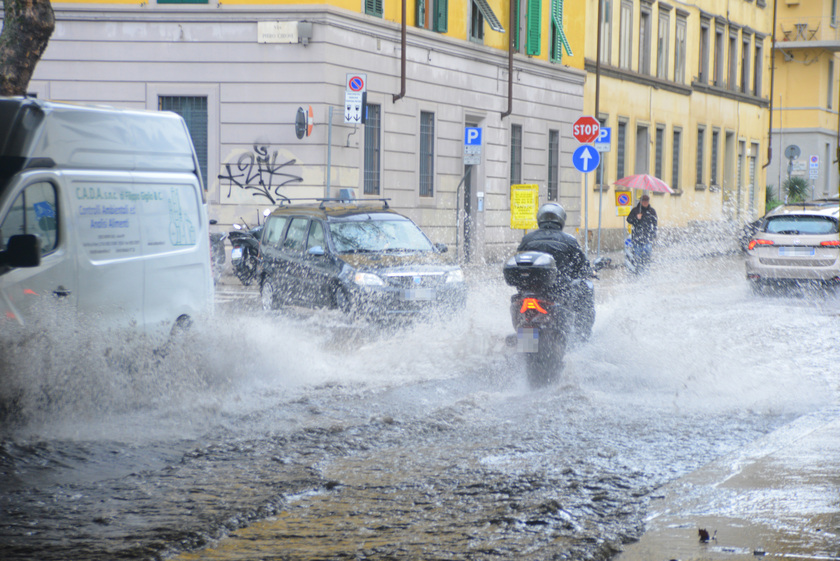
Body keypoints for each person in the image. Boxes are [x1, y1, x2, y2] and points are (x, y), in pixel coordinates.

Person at [517, 202, 595, 341]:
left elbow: (519, 260)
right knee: (586, 290)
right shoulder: (568, 240)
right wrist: (589, 271)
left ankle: (526, 346)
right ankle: (581, 336)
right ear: (560, 219)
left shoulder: (528, 239)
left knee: (525, 317)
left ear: (540, 218)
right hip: (559, 289)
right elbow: (582, 266)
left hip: (530, 289)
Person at [626, 194, 658, 272]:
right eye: (643, 201)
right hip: (637, 238)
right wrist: (636, 218)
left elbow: (655, 223)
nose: (645, 203)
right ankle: (639, 272)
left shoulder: (652, 211)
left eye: (646, 201)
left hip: (647, 238)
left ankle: (646, 272)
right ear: (640, 201)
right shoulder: (635, 210)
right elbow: (629, 220)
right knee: (638, 257)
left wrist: (653, 233)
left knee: (647, 257)